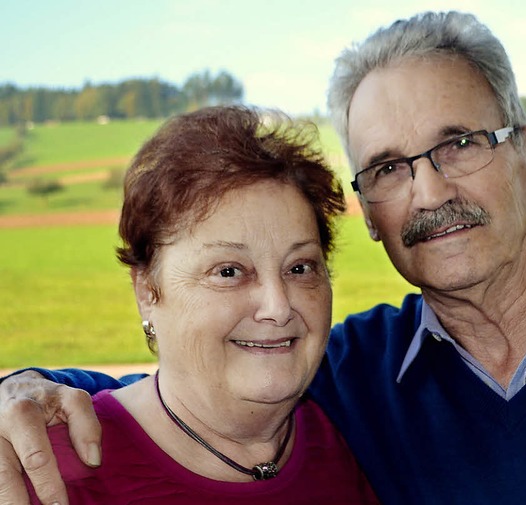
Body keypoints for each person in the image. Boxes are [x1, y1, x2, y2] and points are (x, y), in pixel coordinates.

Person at [2, 9, 526, 505]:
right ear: (368, 212)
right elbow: (191, 389)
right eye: (388, 168)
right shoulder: (348, 374)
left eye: (461, 143)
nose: (430, 191)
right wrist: (22, 387)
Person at [1, 105, 380, 504]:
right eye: (229, 272)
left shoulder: (354, 439)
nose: (278, 306)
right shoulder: (46, 473)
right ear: (147, 290)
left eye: (300, 267)